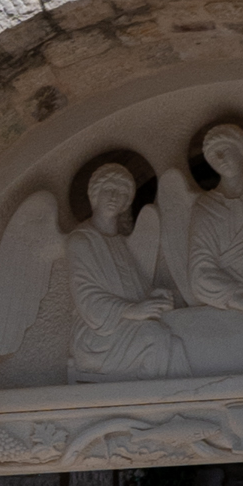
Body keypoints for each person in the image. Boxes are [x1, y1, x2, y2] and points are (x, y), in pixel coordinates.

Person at [66, 158, 186, 381]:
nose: (114, 197)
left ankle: (179, 404)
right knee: (156, 338)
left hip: (126, 328)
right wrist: (132, 310)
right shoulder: (81, 241)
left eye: (122, 193)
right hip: (98, 336)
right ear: (95, 194)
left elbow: (132, 288)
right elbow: (87, 297)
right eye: (109, 190)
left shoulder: (118, 242)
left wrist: (153, 296)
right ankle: (152, 404)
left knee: (178, 341)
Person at [180, 122, 243, 318]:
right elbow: (199, 269)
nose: (219, 159)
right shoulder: (206, 207)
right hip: (232, 299)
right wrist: (235, 298)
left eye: (224, 150)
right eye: (212, 155)